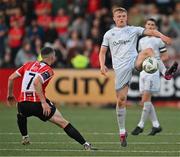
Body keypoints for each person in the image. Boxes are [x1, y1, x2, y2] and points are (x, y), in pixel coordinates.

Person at [99, 7, 173, 147]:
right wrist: (102, 65)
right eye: (118, 16)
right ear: (114, 19)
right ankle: (122, 131)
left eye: (123, 16)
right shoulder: (109, 34)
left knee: (149, 51)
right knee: (121, 100)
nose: (121, 18)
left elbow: (150, 31)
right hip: (121, 69)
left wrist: (162, 36)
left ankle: (165, 73)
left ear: (126, 17)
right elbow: (102, 52)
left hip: (135, 61)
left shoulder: (133, 29)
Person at [7, 47, 92, 150]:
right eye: (54, 56)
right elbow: (36, 82)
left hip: (23, 104)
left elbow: (11, 78)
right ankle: (85, 144)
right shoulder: (48, 70)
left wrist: (10, 95)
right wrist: (43, 103)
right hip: (38, 104)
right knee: (63, 122)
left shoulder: (28, 64)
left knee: (21, 114)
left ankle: (25, 137)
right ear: (52, 57)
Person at [131, 18, 178, 136]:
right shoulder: (141, 41)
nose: (151, 26)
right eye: (149, 24)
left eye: (153, 25)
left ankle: (140, 125)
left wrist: (153, 62)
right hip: (143, 72)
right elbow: (140, 56)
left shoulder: (158, 40)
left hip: (153, 72)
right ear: (145, 26)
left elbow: (166, 57)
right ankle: (156, 125)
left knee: (144, 100)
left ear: (156, 27)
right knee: (147, 101)